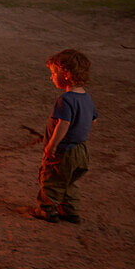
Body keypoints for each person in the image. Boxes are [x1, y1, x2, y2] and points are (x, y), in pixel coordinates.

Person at [34, 49, 97, 224]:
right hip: (81, 151)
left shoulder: (66, 100)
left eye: (54, 73)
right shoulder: (86, 98)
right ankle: (70, 211)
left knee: (51, 179)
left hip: (64, 151)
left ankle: (46, 210)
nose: (51, 77)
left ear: (67, 75)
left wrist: (53, 144)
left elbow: (64, 124)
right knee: (68, 182)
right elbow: (93, 120)